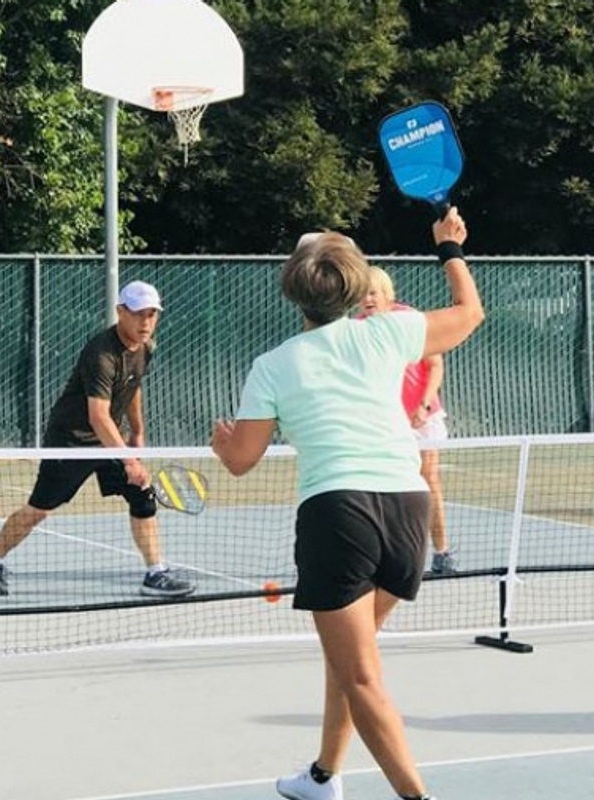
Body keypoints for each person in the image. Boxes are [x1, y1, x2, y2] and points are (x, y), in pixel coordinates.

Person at [211, 209, 483, 800]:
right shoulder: (386, 332)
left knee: (361, 676)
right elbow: (469, 316)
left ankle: (418, 796)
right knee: (349, 659)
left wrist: (223, 441)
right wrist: (450, 249)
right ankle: (322, 776)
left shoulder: (273, 365)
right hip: (408, 511)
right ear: (357, 285)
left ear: (295, 292)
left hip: (340, 517)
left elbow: (241, 461)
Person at [0, 281, 195, 598]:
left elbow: (133, 386)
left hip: (109, 439)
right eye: (138, 314)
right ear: (120, 312)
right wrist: (130, 460)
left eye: (152, 314)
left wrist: (137, 432)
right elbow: (98, 416)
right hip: (70, 440)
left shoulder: (145, 346)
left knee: (142, 496)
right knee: (39, 510)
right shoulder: (101, 354)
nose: (146, 322)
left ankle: (155, 573)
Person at [359, 267, 455, 574]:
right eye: (362, 293)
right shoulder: (355, 329)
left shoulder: (410, 320)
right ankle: (382, 553)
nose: (367, 299)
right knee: (381, 485)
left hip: (423, 418)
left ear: (388, 295)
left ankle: (442, 553)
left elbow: (435, 365)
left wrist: (423, 405)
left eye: (373, 292)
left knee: (428, 480)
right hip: (387, 421)